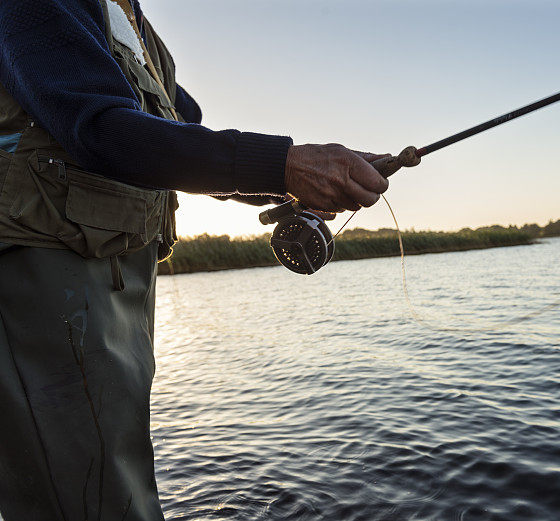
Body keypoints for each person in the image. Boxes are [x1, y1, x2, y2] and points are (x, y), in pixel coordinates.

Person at [0, 1, 389, 519]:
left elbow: (182, 140)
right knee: (88, 493)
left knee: (119, 468)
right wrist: (285, 166)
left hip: (120, 276)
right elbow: (101, 130)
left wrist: (286, 185)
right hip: (49, 276)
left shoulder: (137, 26)